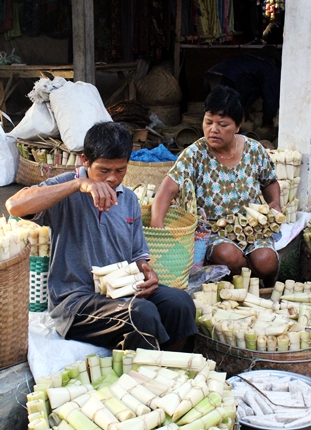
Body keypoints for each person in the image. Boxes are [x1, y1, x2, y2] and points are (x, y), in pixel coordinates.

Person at [6, 121, 198, 352]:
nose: (112, 178)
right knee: (141, 314)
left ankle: (173, 368)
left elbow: (138, 254)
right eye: (104, 170)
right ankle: (144, 373)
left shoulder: (128, 200)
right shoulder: (66, 187)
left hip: (123, 291)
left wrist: (146, 269)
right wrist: (78, 184)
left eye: (120, 170)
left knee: (181, 303)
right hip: (76, 301)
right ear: (85, 161)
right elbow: (14, 205)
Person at [151, 85, 281, 288]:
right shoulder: (195, 154)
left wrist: (275, 202)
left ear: (237, 126)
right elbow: (167, 189)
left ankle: (269, 287)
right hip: (213, 231)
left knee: (266, 261)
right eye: (208, 122)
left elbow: (270, 181)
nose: (213, 129)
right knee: (229, 256)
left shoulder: (254, 150)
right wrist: (157, 227)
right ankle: (245, 287)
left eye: (223, 124)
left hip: (252, 228)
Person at [203, 46, 281, 130]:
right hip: (227, 79)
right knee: (225, 118)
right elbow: (271, 98)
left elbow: (246, 84)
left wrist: (245, 105)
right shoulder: (269, 66)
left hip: (210, 75)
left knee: (213, 112)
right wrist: (267, 121)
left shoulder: (249, 58)